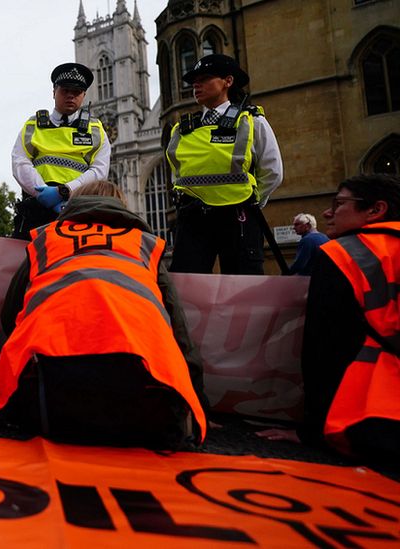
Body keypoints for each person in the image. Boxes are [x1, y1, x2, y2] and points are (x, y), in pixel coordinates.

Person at [0, 181, 206, 447]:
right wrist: (197, 401)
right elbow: (180, 332)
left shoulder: (48, 239)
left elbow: (9, 315)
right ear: (122, 206)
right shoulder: (144, 244)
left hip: (48, 395)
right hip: (149, 398)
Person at [258, 174, 400, 462]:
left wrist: (312, 430)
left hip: (372, 418)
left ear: (376, 210)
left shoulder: (341, 255)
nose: (327, 212)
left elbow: (324, 350)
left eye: (339, 203)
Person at [166, 53, 283, 275]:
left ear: (228, 81)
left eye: (205, 78)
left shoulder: (251, 120)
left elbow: (272, 171)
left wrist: (251, 201)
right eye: (194, 81)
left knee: (244, 286)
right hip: (193, 219)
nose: (196, 85)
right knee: (187, 286)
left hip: (238, 216)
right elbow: (177, 174)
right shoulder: (182, 129)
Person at [10, 62, 110, 240]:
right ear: (54, 91)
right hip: (36, 210)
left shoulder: (96, 129)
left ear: (84, 95)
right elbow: (19, 161)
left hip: (78, 210)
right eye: (65, 90)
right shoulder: (33, 125)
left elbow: (100, 170)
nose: (70, 96)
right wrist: (41, 193)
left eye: (77, 92)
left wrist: (65, 192)